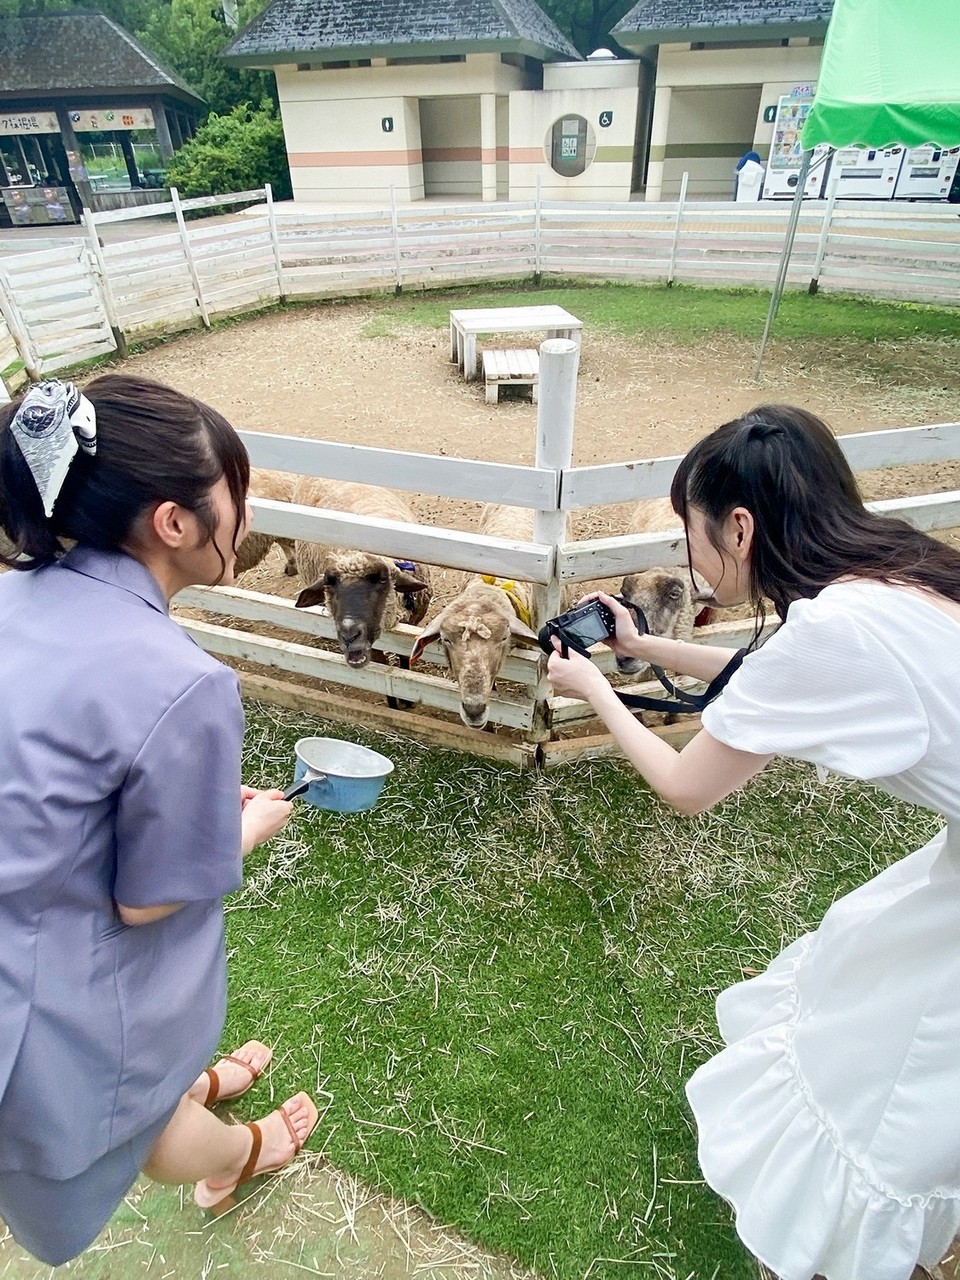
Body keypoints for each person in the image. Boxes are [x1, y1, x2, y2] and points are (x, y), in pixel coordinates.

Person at [547, 404, 960, 1280]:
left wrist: (593, 687)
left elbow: (685, 788)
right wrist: (641, 644)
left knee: (898, 1070)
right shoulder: (890, 575)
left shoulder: (832, 630)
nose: (686, 555)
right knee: (869, 976)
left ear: (738, 528)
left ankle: (849, 1242)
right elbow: (767, 681)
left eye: (686, 530)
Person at [0, 375, 319, 1266]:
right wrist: (246, 826)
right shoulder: (184, 681)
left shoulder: (9, 599)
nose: (245, 516)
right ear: (176, 523)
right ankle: (242, 1151)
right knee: (127, 1109)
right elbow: (149, 900)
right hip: (47, 998)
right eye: (235, 493)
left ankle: (191, 1091)